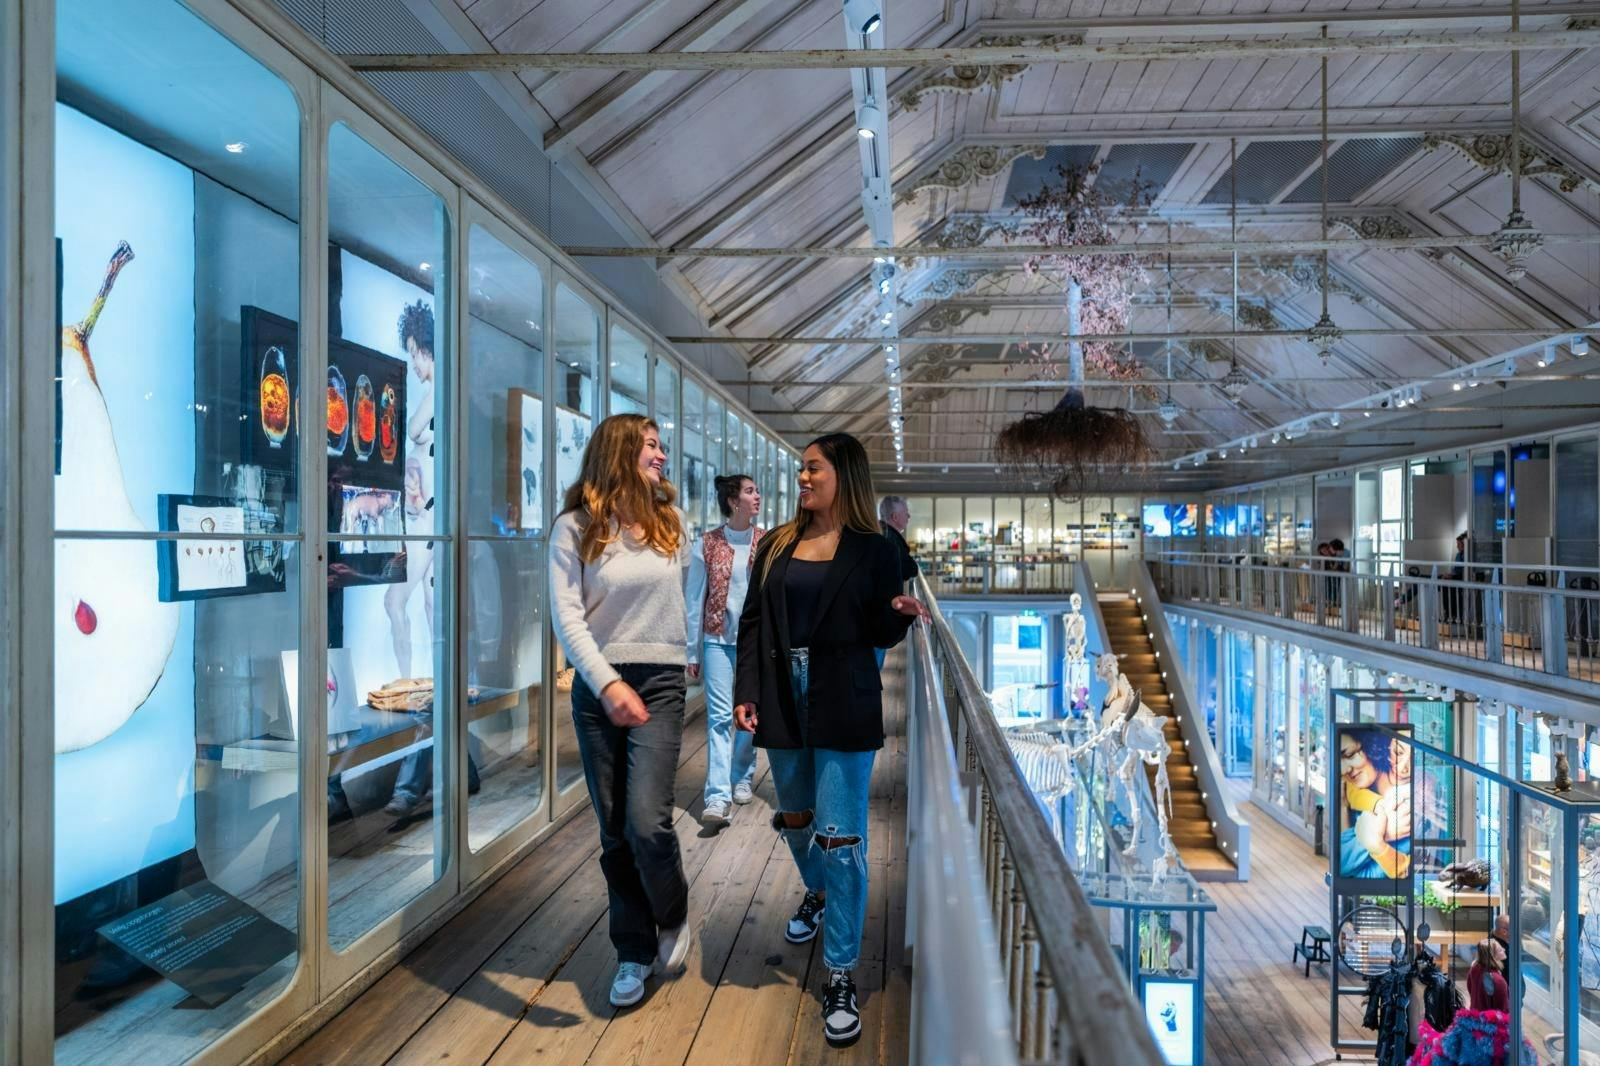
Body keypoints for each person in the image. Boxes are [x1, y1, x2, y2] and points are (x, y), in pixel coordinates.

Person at [733, 433, 928, 1048]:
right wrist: (748, 689)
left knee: (842, 839)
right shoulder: (777, 543)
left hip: (844, 693)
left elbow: (880, 623)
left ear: (843, 474)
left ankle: (840, 970)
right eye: (801, 467)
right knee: (795, 819)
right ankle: (817, 891)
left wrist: (898, 611)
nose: (802, 476)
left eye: (811, 467)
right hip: (782, 693)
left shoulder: (874, 547)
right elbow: (754, 619)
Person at [550, 413, 693, 1009]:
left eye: (661, 446)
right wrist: (607, 683)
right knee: (613, 833)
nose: (661, 455)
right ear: (620, 452)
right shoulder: (574, 527)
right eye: (651, 446)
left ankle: (673, 911)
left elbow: (678, 597)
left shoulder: (671, 523)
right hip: (597, 689)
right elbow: (568, 617)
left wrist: (676, 658)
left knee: (646, 822)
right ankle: (632, 950)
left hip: (659, 685)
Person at [685, 473, 765, 829]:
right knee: (719, 717)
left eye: (756, 491)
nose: (757, 497)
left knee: (747, 712)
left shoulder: (767, 543)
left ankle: (743, 774)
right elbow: (693, 599)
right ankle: (717, 796)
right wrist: (692, 651)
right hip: (717, 640)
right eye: (750, 492)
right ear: (734, 501)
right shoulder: (706, 544)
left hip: (754, 643)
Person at [876, 495, 919, 669]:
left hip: (877, 611)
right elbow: (910, 569)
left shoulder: (879, 534)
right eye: (906, 513)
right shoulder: (891, 539)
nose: (908, 517)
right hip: (881, 612)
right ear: (895, 517)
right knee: (874, 664)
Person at [1468, 938, 1510, 1013]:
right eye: (1500, 950)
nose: (1503, 949)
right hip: (1490, 1021)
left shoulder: (1474, 969)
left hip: (1475, 1016)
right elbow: (1503, 1008)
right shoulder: (1498, 980)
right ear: (1492, 956)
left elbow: (1470, 988)